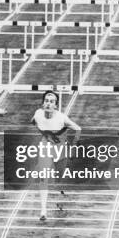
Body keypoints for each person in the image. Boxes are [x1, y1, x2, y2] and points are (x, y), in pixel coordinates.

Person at [31, 91, 81, 221]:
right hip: (45, 146)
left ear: (56, 105)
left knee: (59, 177)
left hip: (60, 148)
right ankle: (43, 210)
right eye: (46, 100)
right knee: (44, 176)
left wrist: (73, 147)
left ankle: (61, 192)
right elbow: (33, 121)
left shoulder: (62, 118)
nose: (48, 103)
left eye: (51, 101)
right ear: (43, 103)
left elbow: (78, 129)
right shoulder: (37, 114)